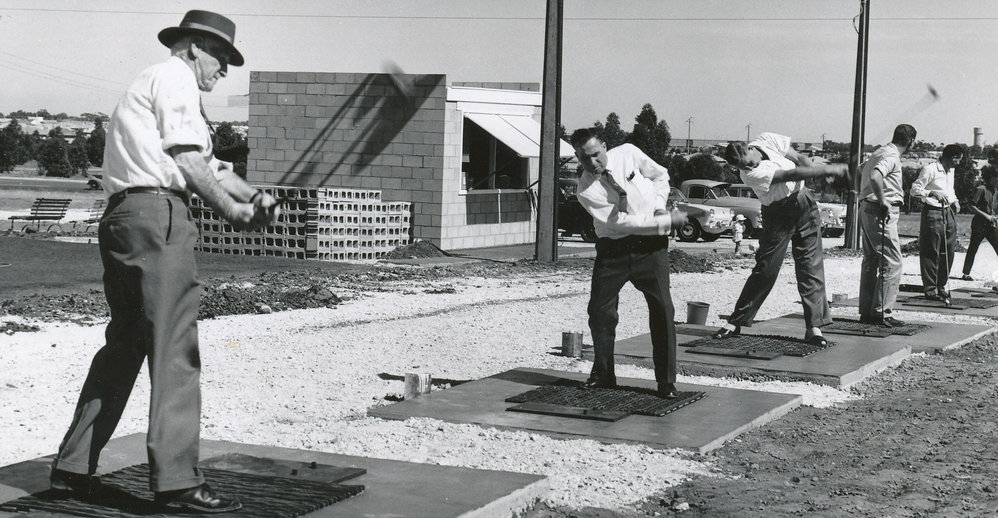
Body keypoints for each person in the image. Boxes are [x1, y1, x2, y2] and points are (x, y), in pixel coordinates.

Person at [49, 10, 279, 513]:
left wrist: (256, 196)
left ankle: (72, 467)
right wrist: (234, 211)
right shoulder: (174, 77)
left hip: (126, 216)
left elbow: (214, 165)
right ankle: (176, 481)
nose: (225, 69)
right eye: (221, 56)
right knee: (174, 346)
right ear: (194, 46)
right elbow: (189, 162)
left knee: (126, 343)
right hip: (157, 215)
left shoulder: (157, 83)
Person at [570, 128, 687, 399]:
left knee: (662, 309)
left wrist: (659, 205)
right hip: (615, 249)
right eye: (585, 158)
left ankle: (666, 382)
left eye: (596, 154)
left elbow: (660, 175)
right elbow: (621, 222)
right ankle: (603, 374)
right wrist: (666, 221)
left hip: (651, 249)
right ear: (578, 158)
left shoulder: (629, 153)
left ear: (605, 146)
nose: (593, 163)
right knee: (600, 311)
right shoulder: (586, 190)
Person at [711, 133, 848, 345]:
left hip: (804, 204)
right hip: (777, 213)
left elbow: (799, 159)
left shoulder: (767, 139)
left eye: (747, 163)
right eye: (741, 167)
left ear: (750, 148)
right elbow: (790, 174)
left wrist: (820, 176)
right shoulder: (749, 175)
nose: (746, 169)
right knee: (766, 269)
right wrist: (828, 169)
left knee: (810, 267)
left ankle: (814, 327)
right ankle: (736, 321)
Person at [858, 124, 917, 327]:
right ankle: (882, 312)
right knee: (892, 261)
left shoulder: (879, 151)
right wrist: (883, 199)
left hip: (867, 207)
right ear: (911, 141)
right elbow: (875, 176)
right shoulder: (891, 156)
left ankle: (867, 311)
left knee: (871, 260)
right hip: (880, 210)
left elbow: (862, 170)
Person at [910, 144, 963, 302]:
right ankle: (930, 288)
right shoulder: (930, 169)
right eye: (958, 159)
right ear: (951, 158)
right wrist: (931, 192)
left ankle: (941, 286)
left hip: (948, 211)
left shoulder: (951, 170)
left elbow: (950, 190)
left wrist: (955, 201)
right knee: (931, 249)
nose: (959, 163)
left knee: (949, 249)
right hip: (932, 211)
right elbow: (914, 189)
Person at [961, 166, 998, 281]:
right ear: (992, 178)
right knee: (973, 247)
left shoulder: (995, 191)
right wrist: (986, 216)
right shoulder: (981, 189)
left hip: (991, 224)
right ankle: (966, 273)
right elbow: (971, 206)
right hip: (979, 224)